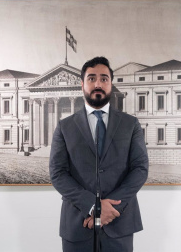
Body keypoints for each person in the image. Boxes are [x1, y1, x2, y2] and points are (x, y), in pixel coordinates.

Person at [49, 56, 148, 252]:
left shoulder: (131, 124)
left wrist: (111, 209)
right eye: (91, 78)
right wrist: (93, 207)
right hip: (78, 224)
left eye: (104, 79)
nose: (98, 84)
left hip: (119, 223)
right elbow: (57, 173)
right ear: (82, 84)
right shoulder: (64, 127)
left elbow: (140, 169)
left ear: (111, 84)